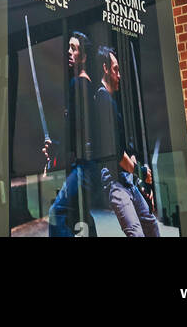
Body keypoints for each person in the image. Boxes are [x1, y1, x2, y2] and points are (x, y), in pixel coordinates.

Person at [94, 46, 159, 238]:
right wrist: (140, 173)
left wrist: (139, 175)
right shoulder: (102, 99)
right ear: (105, 68)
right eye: (116, 69)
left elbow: (124, 147)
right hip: (114, 179)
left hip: (125, 178)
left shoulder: (110, 102)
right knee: (136, 234)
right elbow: (115, 152)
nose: (119, 75)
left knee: (151, 226)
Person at [43, 31, 97, 237]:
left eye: (73, 49)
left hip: (84, 166)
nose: (68, 51)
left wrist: (57, 146)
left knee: (57, 213)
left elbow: (79, 134)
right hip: (84, 164)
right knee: (81, 216)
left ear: (83, 57)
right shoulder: (85, 84)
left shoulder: (79, 84)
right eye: (69, 47)